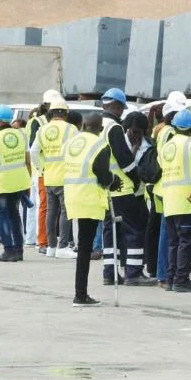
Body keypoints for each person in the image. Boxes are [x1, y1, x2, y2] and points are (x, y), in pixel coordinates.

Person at [65, 112, 124, 306]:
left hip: (73, 195)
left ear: (83, 125)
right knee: (85, 247)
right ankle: (80, 294)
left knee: (83, 246)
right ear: (100, 128)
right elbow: (104, 177)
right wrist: (115, 181)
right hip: (89, 198)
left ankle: (80, 293)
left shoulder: (72, 142)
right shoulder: (99, 144)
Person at [100, 88, 156, 286]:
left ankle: (109, 272)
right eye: (120, 108)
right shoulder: (114, 127)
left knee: (111, 231)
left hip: (105, 188)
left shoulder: (98, 125)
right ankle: (133, 272)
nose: (121, 112)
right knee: (135, 228)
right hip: (123, 187)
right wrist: (136, 179)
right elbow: (124, 159)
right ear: (115, 106)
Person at [158, 109, 191, 293]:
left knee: (174, 242)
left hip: (169, 200)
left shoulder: (168, 145)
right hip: (188, 199)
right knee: (187, 241)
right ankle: (181, 279)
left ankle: (171, 279)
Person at [0, 104, 32, 262]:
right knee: (15, 215)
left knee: (2, 216)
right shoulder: (21, 135)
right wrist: (27, 183)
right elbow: (28, 161)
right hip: (19, 182)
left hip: (2, 184)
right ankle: (19, 250)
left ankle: (8, 250)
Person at [31, 97, 77, 258]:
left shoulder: (42, 129)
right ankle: (62, 246)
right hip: (66, 176)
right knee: (66, 212)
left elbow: (34, 152)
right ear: (65, 113)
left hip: (48, 176)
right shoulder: (71, 129)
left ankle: (51, 246)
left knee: (51, 212)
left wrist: (42, 167)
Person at [153, 92, 186, 287]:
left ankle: (164, 273)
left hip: (165, 186)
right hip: (168, 187)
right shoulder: (170, 132)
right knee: (168, 232)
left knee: (167, 231)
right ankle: (165, 274)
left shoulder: (163, 130)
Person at [29, 89, 61, 253]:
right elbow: (33, 148)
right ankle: (42, 241)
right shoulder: (38, 122)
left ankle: (51, 239)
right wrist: (42, 167)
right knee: (45, 207)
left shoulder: (60, 122)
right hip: (42, 171)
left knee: (54, 208)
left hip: (54, 171)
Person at [125, 111, 155, 274]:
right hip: (123, 193)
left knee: (139, 230)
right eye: (132, 131)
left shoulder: (148, 145)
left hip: (139, 193)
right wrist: (134, 149)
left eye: (138, 132)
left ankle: (136, 268)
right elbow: (127, 163)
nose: (134, 135)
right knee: (133, 232)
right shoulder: (120, 140)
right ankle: (132, 271)